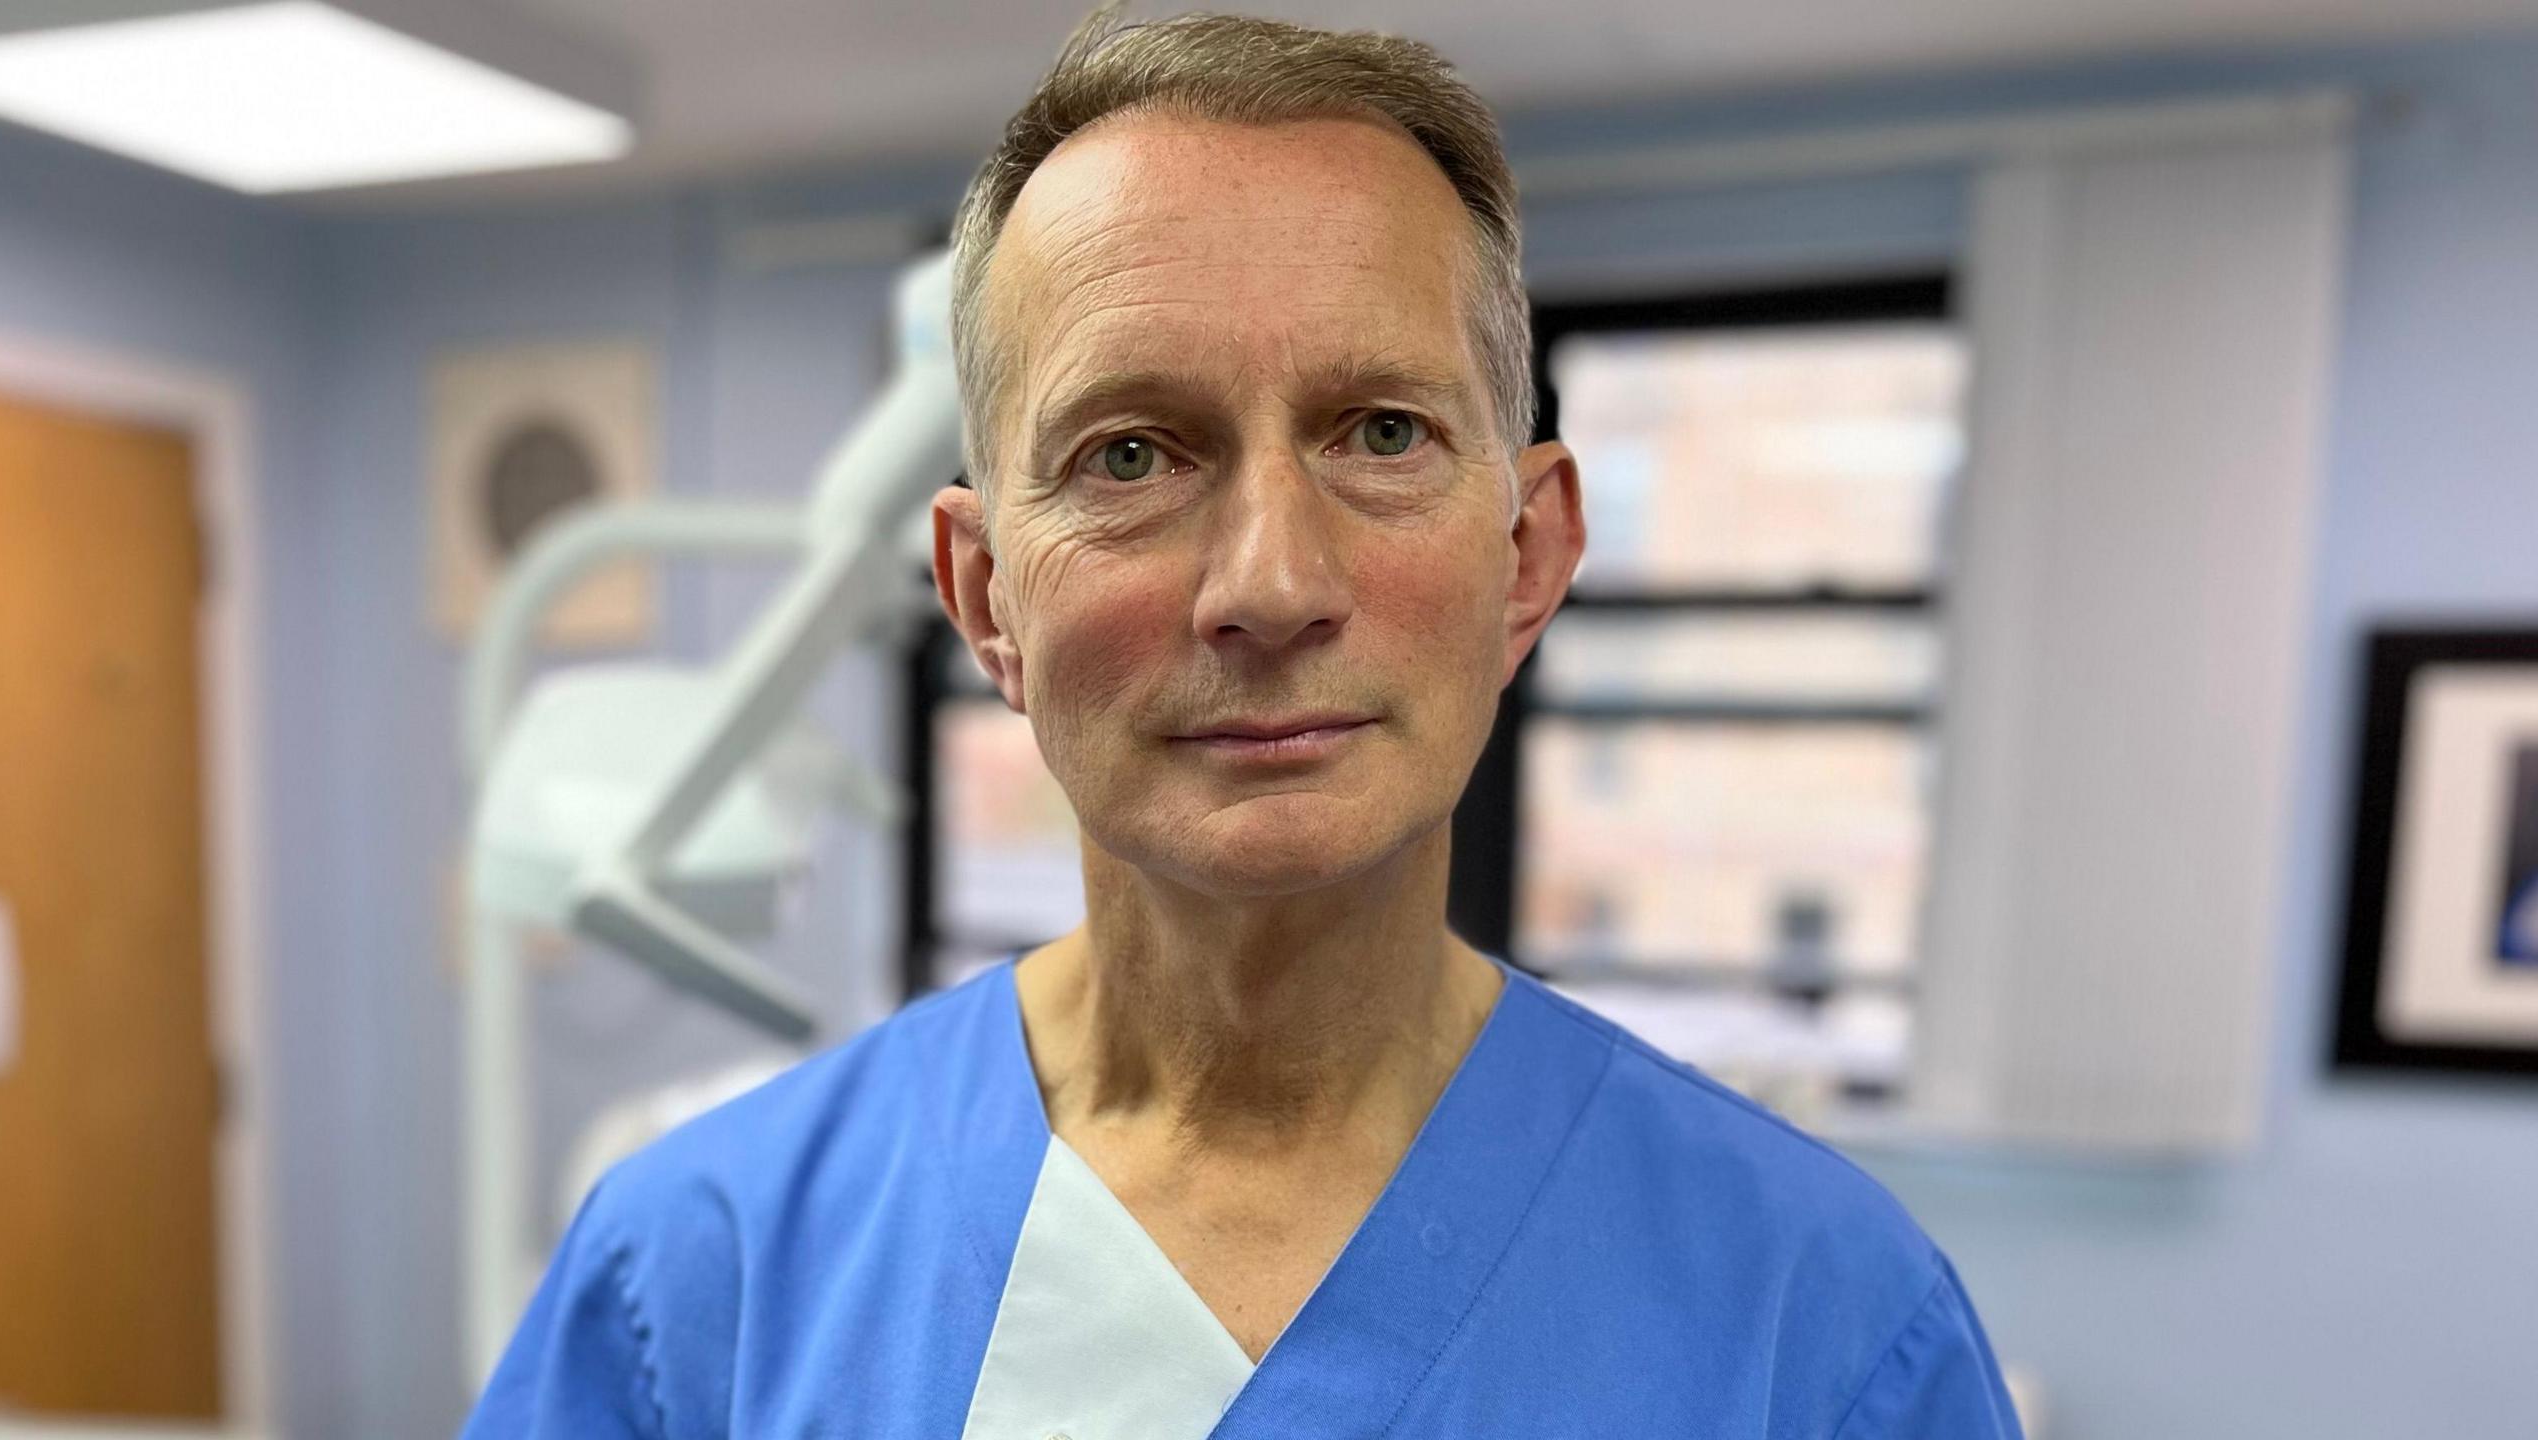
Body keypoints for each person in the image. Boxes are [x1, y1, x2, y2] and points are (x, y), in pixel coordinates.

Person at [462, 5, 2025, 1436]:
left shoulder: (1814, 1329)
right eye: (1133, 456)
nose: (1270, 584)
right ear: (988, 594)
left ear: (1529, 556)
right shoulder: (698, 1295)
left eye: (1385, 433)